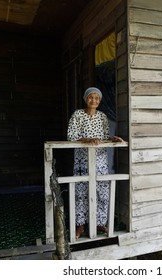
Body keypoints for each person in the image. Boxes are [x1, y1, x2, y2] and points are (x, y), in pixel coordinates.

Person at [67, 87, 123, 239]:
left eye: (97, 98)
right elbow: (71, 136)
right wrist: (88, 140)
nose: (94, 100)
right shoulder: (78, 115)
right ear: (86, 99)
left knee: (102, 191)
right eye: (91, 97)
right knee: (80, 192)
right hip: (82, 161)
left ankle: (100, 222)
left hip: (100, 161)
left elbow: (104, 137)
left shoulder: (103, 116)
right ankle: (80, 226)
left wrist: (113, 139)